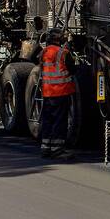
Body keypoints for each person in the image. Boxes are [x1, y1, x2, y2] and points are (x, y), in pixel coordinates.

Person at [38, 29, 77, 159]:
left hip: (47, 92)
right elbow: (73, 70)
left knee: (47, 120)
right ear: (59, 40)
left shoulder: (43, 52)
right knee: (60, 121)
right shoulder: (63, 53)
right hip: (61, 92)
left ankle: (45, 148)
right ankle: (57, 150)